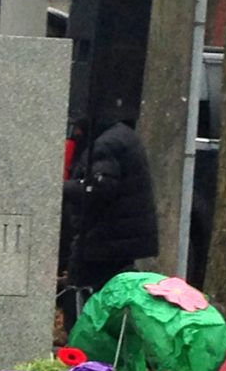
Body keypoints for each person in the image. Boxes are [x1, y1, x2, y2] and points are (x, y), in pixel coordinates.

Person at [59, 113, 160, 328]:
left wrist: (60, 188)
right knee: (112, 300)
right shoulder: (121, 136)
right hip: (119, 241)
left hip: (102, 242)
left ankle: (83, 347)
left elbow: (100, 188)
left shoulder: (106, 144)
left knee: (80, 299)